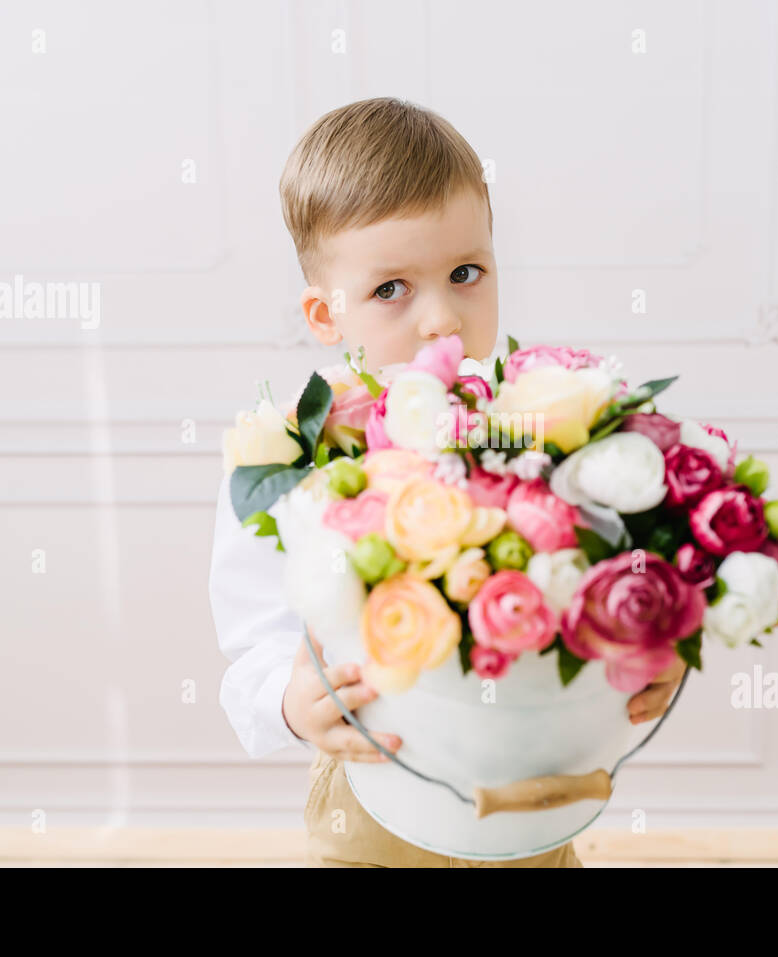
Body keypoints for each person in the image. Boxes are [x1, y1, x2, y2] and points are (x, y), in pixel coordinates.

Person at [209, 97, 686, 867]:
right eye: (391, 288)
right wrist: (290, 705)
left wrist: (647, 649)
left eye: (466, 273)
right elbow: (256, 633)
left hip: (532, 795)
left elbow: (607, 564)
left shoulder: (539, 417)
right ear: (323, 313)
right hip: (374, 803)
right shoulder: (294, 450)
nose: (441, 317)